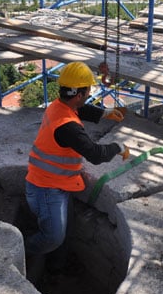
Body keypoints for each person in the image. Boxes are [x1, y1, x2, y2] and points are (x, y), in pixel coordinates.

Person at [25, 61, 130, 257]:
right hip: (47, 190)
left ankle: (58, 264)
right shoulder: (68, 127)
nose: (89, 93)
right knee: (52, 238)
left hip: (50, 183)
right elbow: (95, 154)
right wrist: (119, 147)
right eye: (87, 91)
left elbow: (77, 109)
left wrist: (104, 112)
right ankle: (21, 253)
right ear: (79, 94)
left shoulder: (57, 106)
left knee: (64, 232)